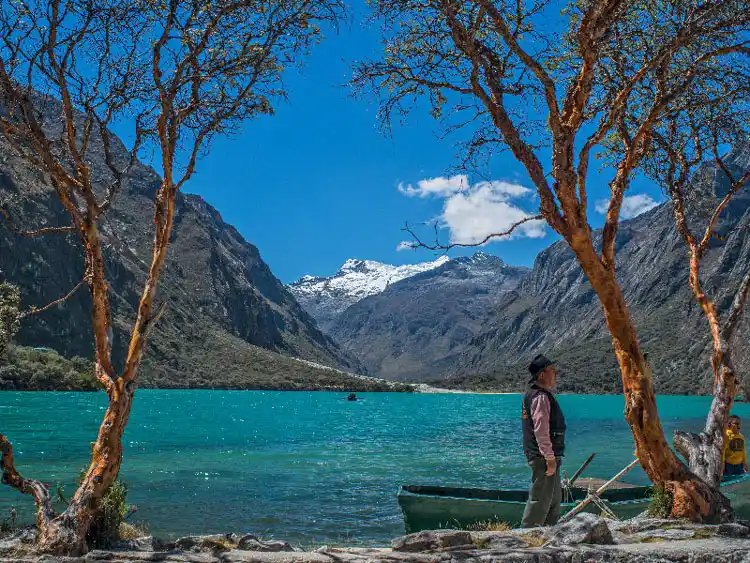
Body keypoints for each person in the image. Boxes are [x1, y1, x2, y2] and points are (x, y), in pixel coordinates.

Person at [521, 354, 566, 528]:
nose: (556, 374)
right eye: (552, 371)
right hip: (544, 458)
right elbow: (541, 431)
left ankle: (548, 535)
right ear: (542, 375)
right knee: (540, 501)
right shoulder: (540, 397)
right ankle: (527, 538)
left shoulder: (536, 395)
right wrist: (549, 458)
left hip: (546, 456)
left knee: (553, 500)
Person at [722, 414, 748, 479]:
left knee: (739, 482)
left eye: (739, 424)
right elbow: (723, 451)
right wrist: (722, 465)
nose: (738, 426)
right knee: (728, 481)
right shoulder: (727, 436)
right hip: (729, 465)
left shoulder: (741, 437)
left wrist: (745, 463)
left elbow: (743, 451)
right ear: (729, 425)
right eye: (736, 424)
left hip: (739, 465)